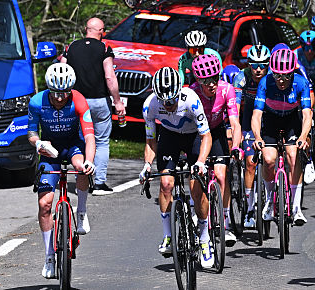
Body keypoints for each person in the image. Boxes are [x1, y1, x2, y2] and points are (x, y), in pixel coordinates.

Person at [139, 66, 213, 267]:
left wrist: (200, 163)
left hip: (193, 138)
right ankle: (168, 236)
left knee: (195, 188)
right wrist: (147, 165)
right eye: (164, 101)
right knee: (165, 184)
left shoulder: (191, 99)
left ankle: (205, 240)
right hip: (169, 137)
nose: (168, 104)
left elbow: (206, 135)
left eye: (171, 100)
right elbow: (150, 140)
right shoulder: (150, 105)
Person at [28, 63, 96, 279]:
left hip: (73, 145)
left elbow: (89, 137)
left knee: (81, 167)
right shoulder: (37, 102)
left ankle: (82, 211)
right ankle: (49, 256)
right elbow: (31, 134)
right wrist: (39, 144)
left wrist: (90, 161)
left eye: (65, 93)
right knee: (45, 203)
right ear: (49, 89)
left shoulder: (79, 100)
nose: (60, 98)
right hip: (49, 149)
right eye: (56, 93)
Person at [251, 48, 313, 225]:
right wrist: (257, 137)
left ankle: (296, 207)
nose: (281, 80)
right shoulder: (265, 82)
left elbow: (307, 115)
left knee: (293, 156)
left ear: (292, 72)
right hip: (271, 121)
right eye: (277, 75)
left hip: (292, 122)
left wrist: (303, 136)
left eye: (286, 76)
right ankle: (270, 199)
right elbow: (256, 115)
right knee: (269, 159)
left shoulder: (301, 83)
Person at [62, 17, 124, 195]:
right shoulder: (104, 48)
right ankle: (98, 183)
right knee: (101, 141)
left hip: (76, 100)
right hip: (99, 101)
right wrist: (118, 101)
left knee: (81, 139)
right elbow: (109, 77)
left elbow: (62, 68)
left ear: (86, 29)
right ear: (100, 31)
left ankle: (81, 178)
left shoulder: (71, 47)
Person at [187, 53, 242, 239]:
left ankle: (224, 224)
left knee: (220, 175)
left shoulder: (226, 89)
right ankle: (198, 211)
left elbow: (234, 123)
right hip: (196, 134)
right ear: (198, 80)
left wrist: (235, 147)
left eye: (214, 78)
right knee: (195, 178)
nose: (211, 84)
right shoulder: (192, 92)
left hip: (217, 131)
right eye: (205, 80)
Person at [232, 43, 270, 228]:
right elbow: (236, 110)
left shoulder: (272, 78)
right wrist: (234, 131)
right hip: (248, 120)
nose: (258, 69)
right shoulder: (241, 78)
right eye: (254, 65)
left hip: (268, 120)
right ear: (248, 64)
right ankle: (249, 209)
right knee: (250, 162)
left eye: (263, 64)